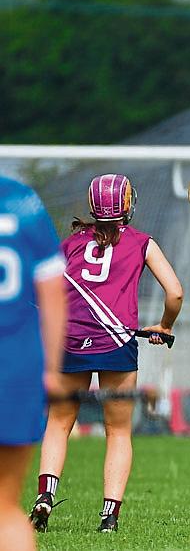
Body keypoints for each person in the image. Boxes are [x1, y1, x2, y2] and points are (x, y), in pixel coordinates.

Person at [29, 174, 183, 534]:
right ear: (128, 204)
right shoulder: (143, 243)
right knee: (117, 431)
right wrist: (165, 325)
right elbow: (174, 292)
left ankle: (45, 496)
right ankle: (108, 518)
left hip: (71, 343)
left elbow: (42, 292)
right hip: (117, 344)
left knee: (58, 423)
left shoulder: (68, 244)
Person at [0, 175, 66, 551]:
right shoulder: (23, 202)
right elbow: (53, 293)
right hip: (16, 369)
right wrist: (53, 371)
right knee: (6, 509)